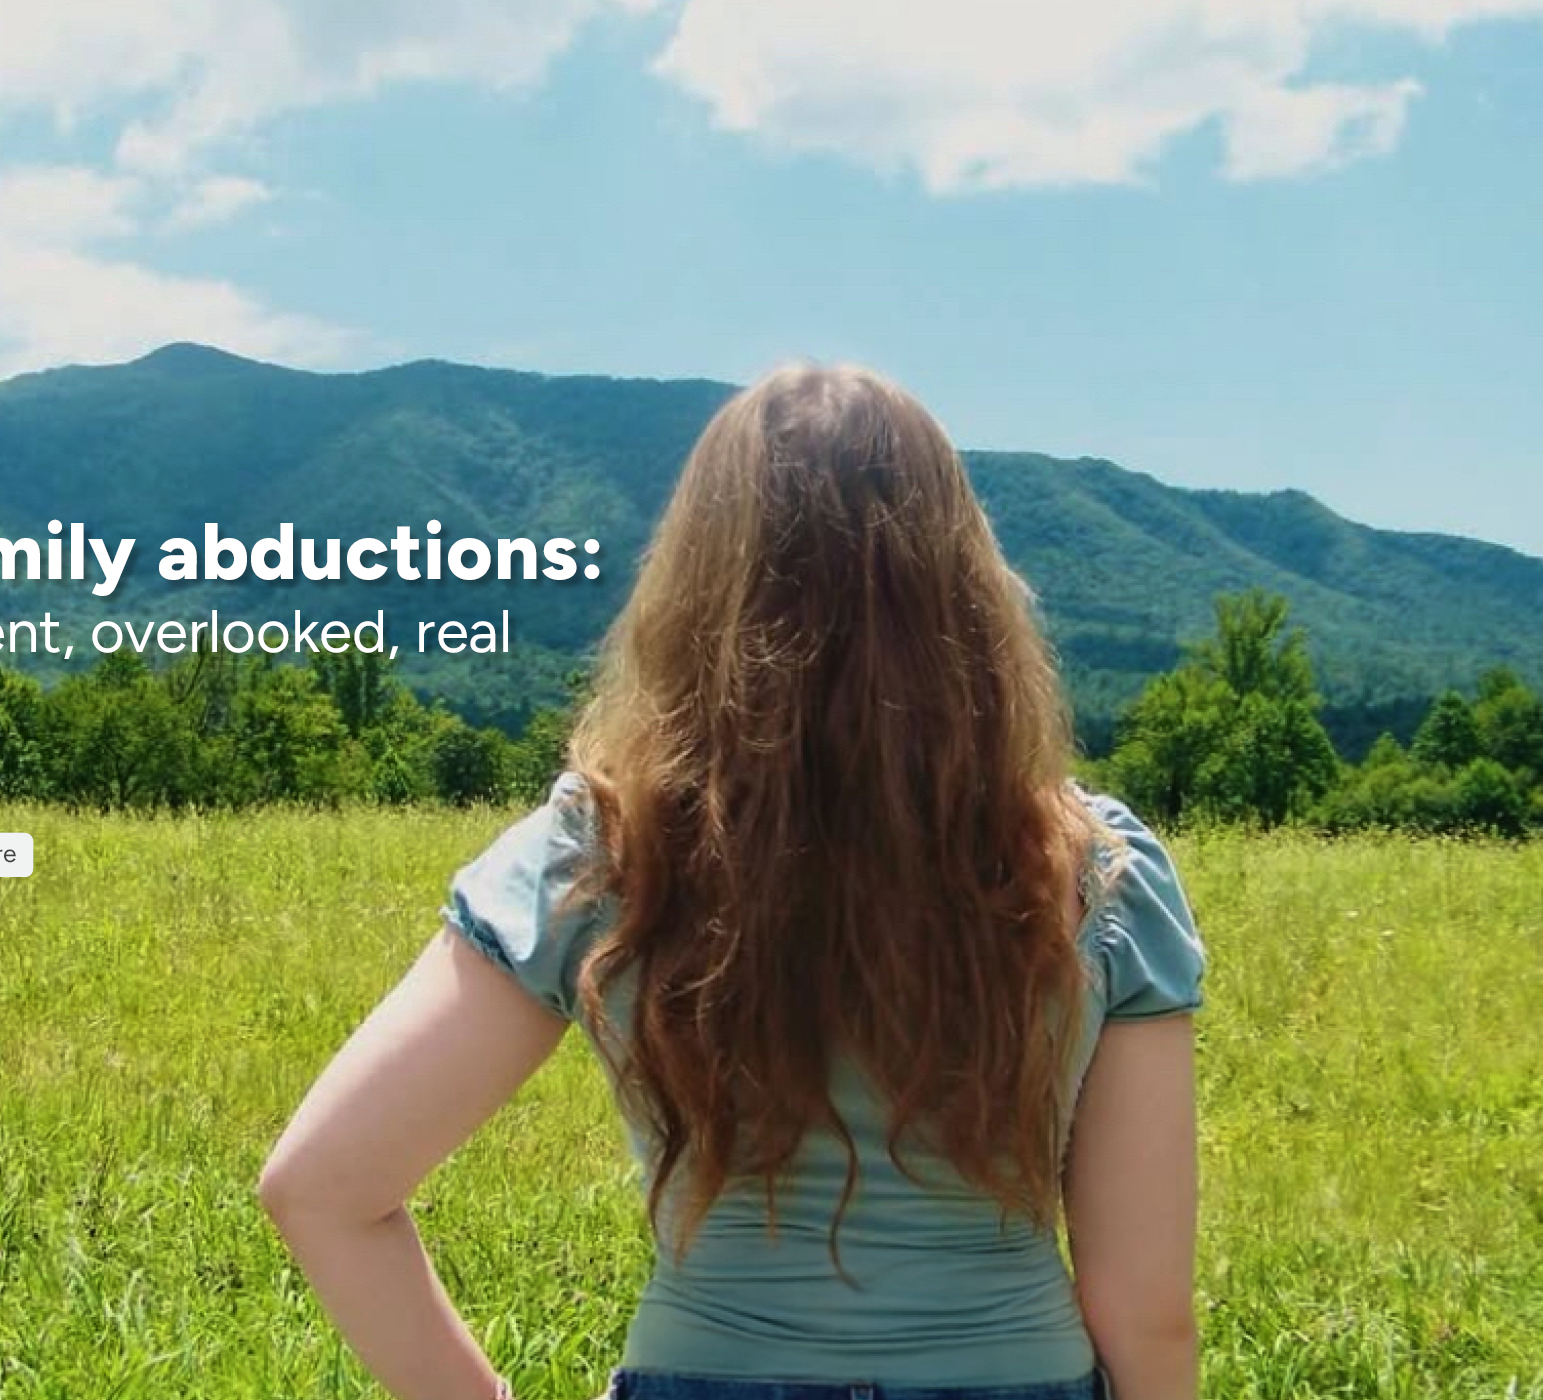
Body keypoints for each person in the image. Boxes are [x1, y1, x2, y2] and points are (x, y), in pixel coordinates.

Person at [259, 364, 1206, 1400]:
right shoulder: (1100, 870)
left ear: (698, 579)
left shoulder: (599, 848)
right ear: (965, 581)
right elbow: (1146, 1309)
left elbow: (322, 1188)